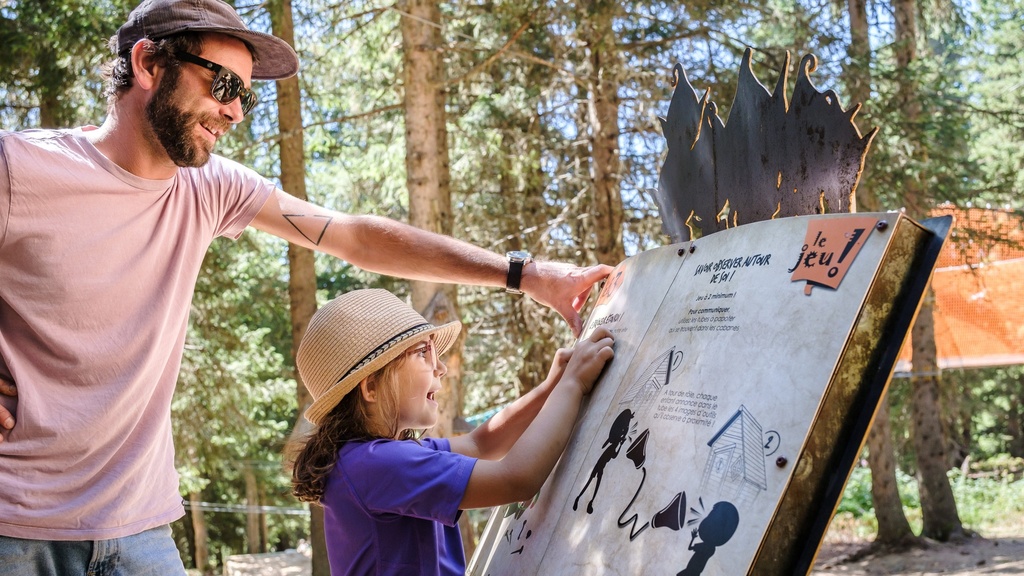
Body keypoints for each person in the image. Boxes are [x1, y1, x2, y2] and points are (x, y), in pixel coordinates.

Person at [0, 0, 610, 571]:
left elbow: (356, 237)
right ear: (148, 63)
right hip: (14, 527)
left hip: (140, 527)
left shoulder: (212, 188)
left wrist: (526, 274)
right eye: (223, 84)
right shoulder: (21, 169)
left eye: (246, 96)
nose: (235, 111)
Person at [290, 289, 615, 575]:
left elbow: (482, 442)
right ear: (371, 386)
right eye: (423, 352)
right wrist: (572, 384)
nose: (441, 366)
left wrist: (550, 387)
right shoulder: (378, 465)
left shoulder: (368, 460)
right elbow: (516, 479)